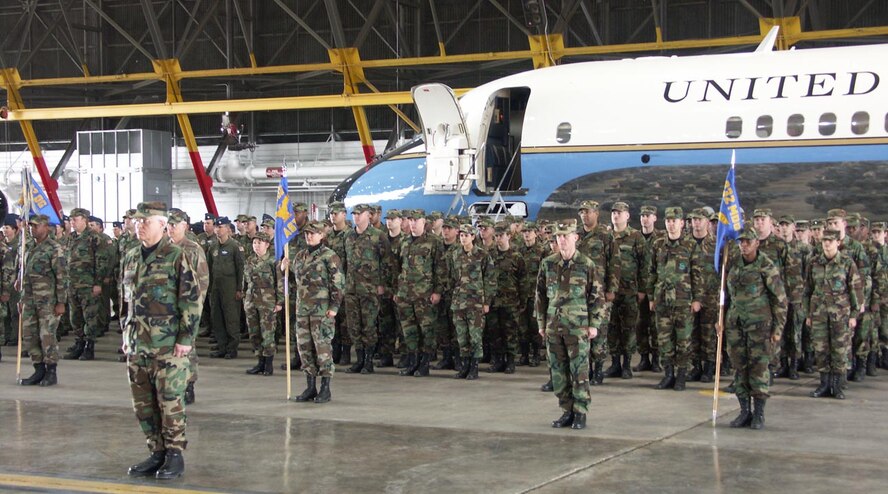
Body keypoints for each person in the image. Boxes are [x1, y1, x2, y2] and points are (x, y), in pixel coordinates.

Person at [121, 202, 201, 480]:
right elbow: (126, 303)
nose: (139, 226)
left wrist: (186, 339)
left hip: (167, 346)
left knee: (169, 401)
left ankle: (175, 454)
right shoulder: (131, 257)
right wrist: (125, 334)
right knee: (143, 404)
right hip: (137, 344)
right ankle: (156, 452)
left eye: (145, 222)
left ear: (161, 225)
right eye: (137, 221)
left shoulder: (176, 256)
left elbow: (191, 301)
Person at [536, 220, 605, 430]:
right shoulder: (548, 264)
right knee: (558, 371)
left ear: (576, 237)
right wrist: (541, 323)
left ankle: (580, 411)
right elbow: (540, 296)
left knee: (579, 371)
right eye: (559, 236)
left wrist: (594, 325)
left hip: (578, 327)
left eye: (566, 236)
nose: (562, 240)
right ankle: (566, 410)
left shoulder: (586, 264)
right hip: (554, 326)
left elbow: (597, 297)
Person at [722, 224, 788, 430]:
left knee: (759, 369)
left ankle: (758, 413)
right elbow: (726, 296)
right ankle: (744, 411)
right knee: (740, 368)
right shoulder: (733, 265)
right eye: (741, 242)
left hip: (760, 326)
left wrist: (777, 330)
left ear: (756, 243)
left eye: (747, 242)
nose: (743, 245)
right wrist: (722, 320)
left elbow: (780, 300)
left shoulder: (766, 266)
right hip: (736, 325)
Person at [287, 221, 344, 403]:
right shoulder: (300, 256)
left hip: (322, 311)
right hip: (303, 310)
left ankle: (325, 388)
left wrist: (334, 307)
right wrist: (284, 269)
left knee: (323, 348)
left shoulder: (329, 256)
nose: (309, 236)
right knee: (305, 348)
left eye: (313, 233)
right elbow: (293, 279)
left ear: (322, 235)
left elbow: (338, 284)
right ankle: (310, 386)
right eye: (307, 234)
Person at [805, 229, 862, 400]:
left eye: (830, 240)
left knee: (839, 350)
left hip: (840, 315)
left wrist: (854, 314)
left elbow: (856, 289)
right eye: (824, 241)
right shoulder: (814, 262)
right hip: (819, 314)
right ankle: (824, 384)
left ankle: (837, 386)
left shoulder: (846, 263)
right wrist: (808, 314)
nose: (827, 243)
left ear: (838, 242)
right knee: (821, 349)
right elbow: (807, 289)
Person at [648, 207, 697, 391]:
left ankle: (682, 375)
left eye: (674, 220)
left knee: (683, 340)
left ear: (682, 223)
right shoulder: (658, 244)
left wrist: (697, 299)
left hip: (683, 301)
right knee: (664, 340)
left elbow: (697, 275)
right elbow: (651, 271)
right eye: (668, 220)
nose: (670, 223)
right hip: (662, 301)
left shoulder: (690, 245)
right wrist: (652, 297)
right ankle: (668, 374)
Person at [395, 209, 446, 377]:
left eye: (416, 220)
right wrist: (396, 289)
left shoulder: (434, 242)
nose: (413, 223)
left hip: (424, 294)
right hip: (405, 294)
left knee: (427, 330)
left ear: (424, 222)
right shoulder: (404, 241)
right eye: (410, 220)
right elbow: (398, 267)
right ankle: (413, 362)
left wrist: (437, 291)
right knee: (409, 331)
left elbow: (440, 268)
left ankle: (424, 364)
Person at [166, 209, 209, 405]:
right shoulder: (163, 248)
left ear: (185, 226)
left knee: (187, 346)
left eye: (175, 225)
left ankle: (189, 384)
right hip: (165, 309)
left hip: (186, 307)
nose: (171, 228)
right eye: (169, 224)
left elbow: (202, 281)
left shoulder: (193, 249)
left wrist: (193, 309)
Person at [344, 204, 392, 374]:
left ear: (369, 215)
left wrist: (382, 284)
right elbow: (345, 262)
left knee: (369, 326)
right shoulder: (348, 236)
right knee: (354, 326)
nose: (356, 217)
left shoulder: (378, 236)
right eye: (354, 214)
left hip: (370, 289)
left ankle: (369, 360)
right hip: (351, 288)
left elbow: (387, 263)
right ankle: (359, 359)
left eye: (360, 214)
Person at [19, 215, 67, 386]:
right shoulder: (30, 247)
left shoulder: (54, 248)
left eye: (36, 226)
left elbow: (62, 276)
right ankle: (38, 369)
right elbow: (26, 275)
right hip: (30, 300)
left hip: (48, 301)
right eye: (31, 226)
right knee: (29, 334)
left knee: (46, 336)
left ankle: (51, 371)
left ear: (46, 227)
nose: (33, 229)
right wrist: (22, 297)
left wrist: (61, 302)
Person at [446, 224, 495, 380]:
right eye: (461, 235)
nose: (463, 238)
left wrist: (486, 301)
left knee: (475, 336)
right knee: (461, 336)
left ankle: (474, 367)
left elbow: (490, 280)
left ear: (473, 236)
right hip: (459, 302)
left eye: (466, 235)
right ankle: (464, 365)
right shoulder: (454, 254)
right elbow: (451, 277)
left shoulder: (482, 255)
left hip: (476, 303)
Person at [606, 202, 646, 380]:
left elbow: (645, 264)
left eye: (620, 213)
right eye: (614, 212)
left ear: (627, 216)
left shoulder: (636, 236)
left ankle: (627, 364)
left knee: (629, 328)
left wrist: (643, 289)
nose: (616, 215)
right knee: (612, 328)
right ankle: (614, 363)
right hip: (610, 291)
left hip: (630, 290)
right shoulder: (606, 236)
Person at [63, 208, 107, 361]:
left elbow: (101, 262)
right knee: (75, 316)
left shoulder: (94, 238)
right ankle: (79, 342)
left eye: (76, 220)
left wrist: (98, 283)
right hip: (73, 283)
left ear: (85, 220)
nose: (73, 223)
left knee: (90, 316)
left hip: (88, 284)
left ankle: (89, 346)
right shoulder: (71, 238)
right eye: (72, 220)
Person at [243, 232, 281, 375]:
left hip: (267, 301)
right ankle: (260, 362)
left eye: (259, 243)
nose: (256, 246)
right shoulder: (249, 260)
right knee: (254, 333)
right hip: (251, 300)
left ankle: (268, 363)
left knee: (268, 333)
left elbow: (279, 283)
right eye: (254, 243)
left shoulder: (273, 261)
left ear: (267, 245)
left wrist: (280, 301)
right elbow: (246, 281)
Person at [207, 216, 245, 359]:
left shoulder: (235, 246)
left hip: (230, 286)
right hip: (216, 286)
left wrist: (239, 289)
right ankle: (222, 346)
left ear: (228, 229)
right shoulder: (213, 246)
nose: (217, 230)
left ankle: (232, 348)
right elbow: (209, 268)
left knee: (231, 317)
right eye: (216, 227)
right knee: (217, 317)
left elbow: (241, 268)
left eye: (220, 227)